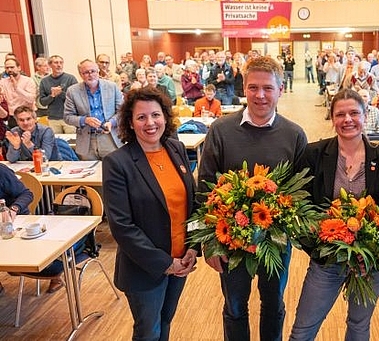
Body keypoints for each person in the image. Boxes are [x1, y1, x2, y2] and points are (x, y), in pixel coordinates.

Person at [197, 56, 307, 341]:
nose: (260, 95)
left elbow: (304, 193)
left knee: (273, 305)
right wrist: (209, 245)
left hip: (276, 245)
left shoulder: (294, 135)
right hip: (230, 242)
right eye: (253, 87)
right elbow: (205, 187)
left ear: (280, 90)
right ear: (243, 88)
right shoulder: (220, 131)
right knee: (235, 307)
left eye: (268, 88)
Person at [289, 89, 379, 340]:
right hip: (327, 261)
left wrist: (374, 250)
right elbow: (298, 204)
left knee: (359, 325)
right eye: (340, 114)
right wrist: (319, 246)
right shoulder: (314, 154)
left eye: (354, 113)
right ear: (332, 118)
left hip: (370, 262)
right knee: (303, 329)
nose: (347, 119)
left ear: (365, 115)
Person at [103, 87, 197, 341]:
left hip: (181, 259)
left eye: (155, 115)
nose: (150, 123)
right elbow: (122, 227)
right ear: (130, 124)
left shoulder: (175, 149)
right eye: (141, 117)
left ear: (165, 117)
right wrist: (165, 264)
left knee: (165, 322)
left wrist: (194, 247)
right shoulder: (117, 163)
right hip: (145, 269)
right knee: (148, 331)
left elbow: (193, 204)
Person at [64, 59, 123, 160]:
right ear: (80, 74)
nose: (90, 75)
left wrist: (111, 123)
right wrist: (85, 120)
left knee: (114, 172)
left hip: (110, 138)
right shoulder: (72, 91)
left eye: (93, 71)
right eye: (86, 72)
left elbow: (122, 112)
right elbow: (68, 117)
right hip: (87, 141)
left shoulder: (112, 87)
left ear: (98, 71)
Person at [0, 163, 36, 294]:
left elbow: (27, 194)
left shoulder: (2, 171)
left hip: (15, 220)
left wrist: (14, 209)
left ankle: (55, 274)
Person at [39, 55, 78, 134]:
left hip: (69, 117)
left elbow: (76, 98)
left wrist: (61, 93)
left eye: (61, 62)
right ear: (50, 65)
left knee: (73, 143)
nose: (59, 65)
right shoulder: (44, 81)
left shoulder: (71, 78)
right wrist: (52, 96)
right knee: (56, 143)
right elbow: (42, 102)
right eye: (56, 63)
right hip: (53, 118)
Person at [0, 58, 36, 128]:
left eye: (12, 67)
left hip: (26, 116)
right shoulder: (3, 82)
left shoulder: (28, 81)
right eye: (7, 68)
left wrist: (17, 88)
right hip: (11, 117)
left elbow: (31, 99)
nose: (9, 69)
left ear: (19, 68)